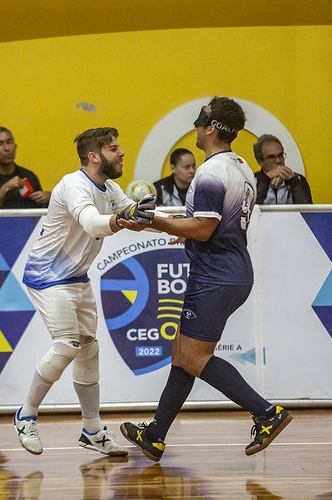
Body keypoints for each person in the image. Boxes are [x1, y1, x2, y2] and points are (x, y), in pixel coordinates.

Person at [117, 96, 292, 461]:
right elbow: (218, 225)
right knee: (183, 354)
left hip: (214, 275)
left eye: (199, 123)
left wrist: (157, 220)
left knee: (194, 358)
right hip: (232, 270)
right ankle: (156, 435)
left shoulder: (211, 172)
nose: (195, 129)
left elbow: (205, 226)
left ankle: (266, 412)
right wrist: (188, 230)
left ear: (210, 128)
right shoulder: (241, 167)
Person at [14, 127, 156, 457]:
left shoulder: (109, 187)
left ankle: (92, 430)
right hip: (48, 275)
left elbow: (137, 213)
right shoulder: (73, 185)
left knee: (88, 349)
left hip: (77, 278)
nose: (121, 153)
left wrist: (184, 225)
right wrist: (126, 219)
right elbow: (94, 224)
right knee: (66, 346)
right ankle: (25, 415)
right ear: (94, 156)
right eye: (113, 149)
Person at [0, 127, 51, 209]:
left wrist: (49, 198)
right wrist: (5, 189)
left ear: (15, 147)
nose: (7, 148)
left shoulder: (28, 176)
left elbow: (40, 214)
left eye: (9, 142)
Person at [252, 134, 313, 204]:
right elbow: (250, 207)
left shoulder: (298, 179)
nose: (278, 161)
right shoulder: (252, 181)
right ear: (260, 162)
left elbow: (306, 210)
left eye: (280, 155)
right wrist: (266, 178)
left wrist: (293, 181)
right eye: (272, 157)